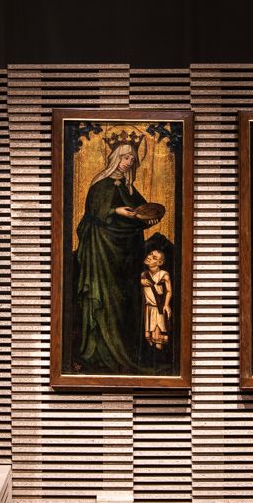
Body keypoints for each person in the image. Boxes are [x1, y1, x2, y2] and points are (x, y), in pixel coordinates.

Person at [73, 138, 161, 373]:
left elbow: (142, 211)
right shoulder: (102, 184)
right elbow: (95, 212)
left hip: (126, 255)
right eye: (125, 157)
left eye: (132, 158)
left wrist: (148, 218)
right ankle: (99, 353)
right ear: (115, 158)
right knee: (105, 299)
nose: (129, 162)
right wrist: (116, 210)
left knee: (125, 303)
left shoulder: (128, 187)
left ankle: (126, 353)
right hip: (103, 253)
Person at [141, 248, 172, 351]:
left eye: (154, 257)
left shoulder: (164, 274)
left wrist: (166, 305)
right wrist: (141, 282)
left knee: (157, 337)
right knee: (148, 337)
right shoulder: (144, 275)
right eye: (150, 254)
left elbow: (169, 291)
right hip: (148, 309)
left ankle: (160, 355)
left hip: (158, 309)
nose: (149, 257)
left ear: (160, 262)